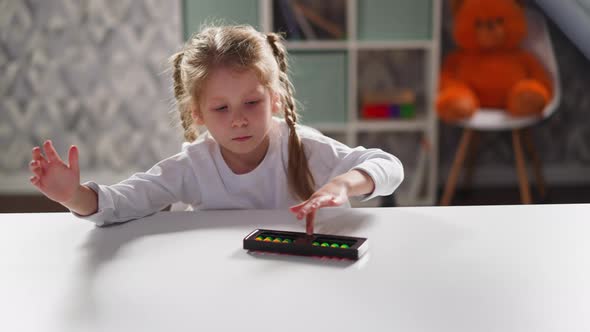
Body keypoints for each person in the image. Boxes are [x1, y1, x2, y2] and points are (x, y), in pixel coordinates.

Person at [28, 25, 404, 231]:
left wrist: (343, 184)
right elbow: (124, 202)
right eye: (221, 108)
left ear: (275, 100)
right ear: (199, 115)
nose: (238, 119)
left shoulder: (300, 146)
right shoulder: (193, 164)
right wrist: (73, 196)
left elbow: (388, 166)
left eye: (252, 103)